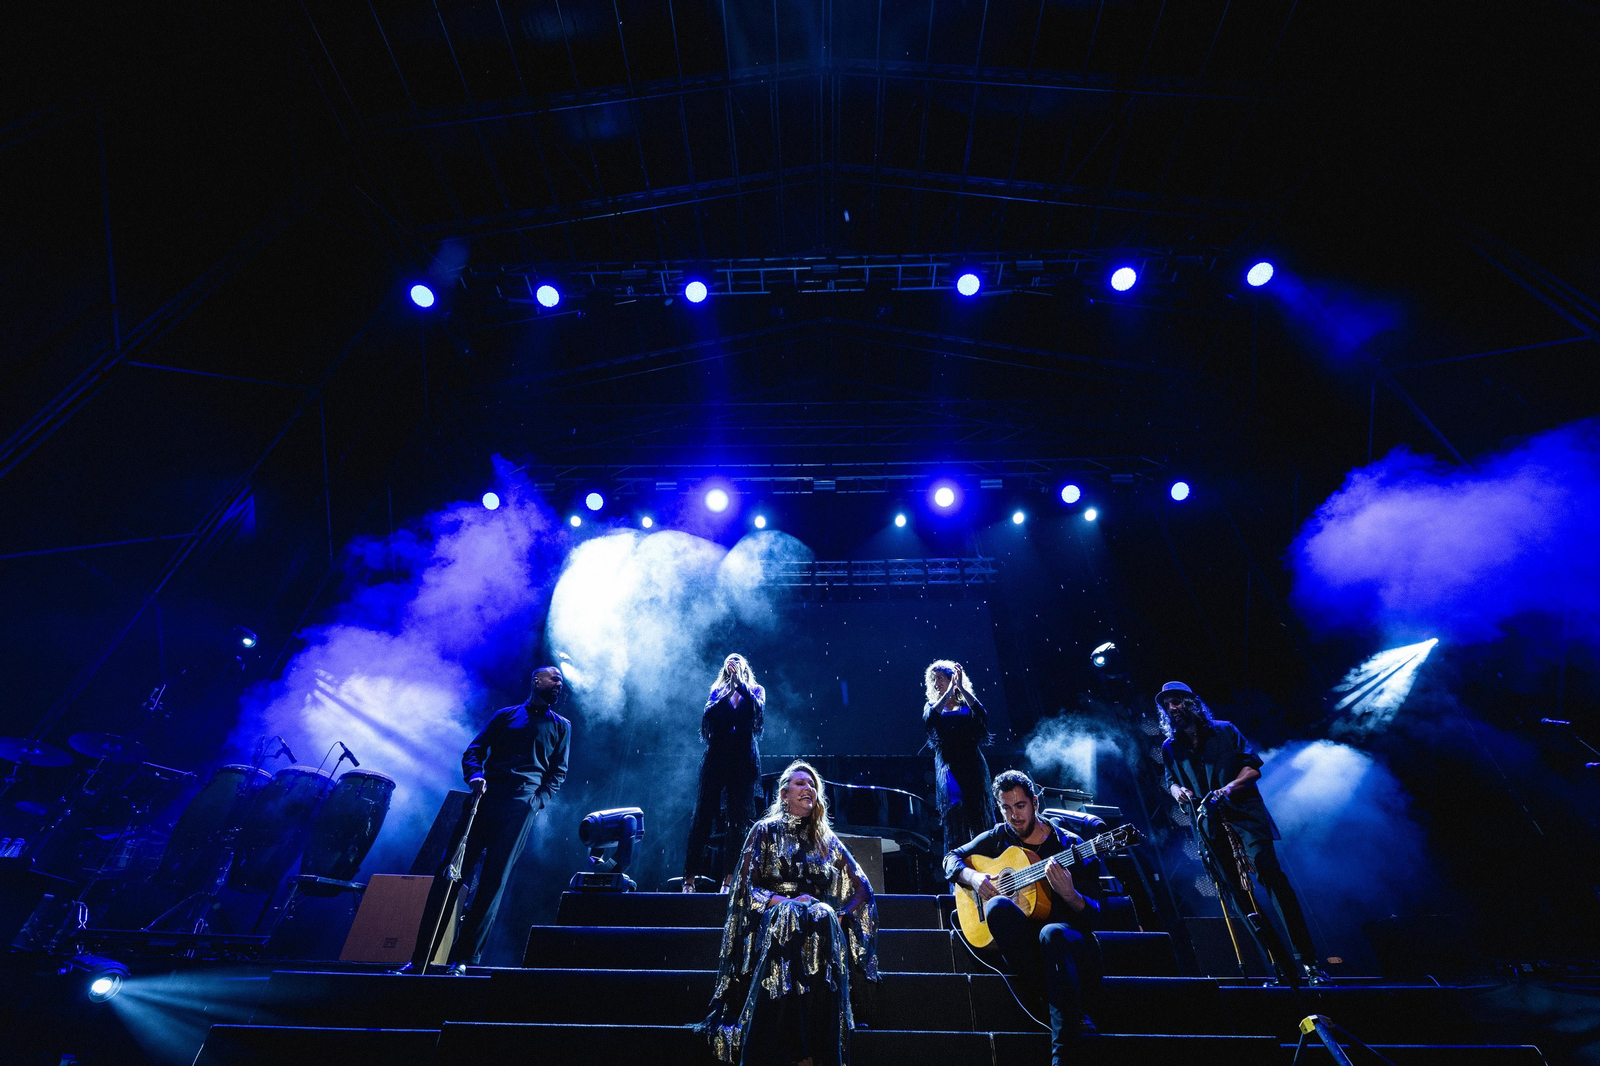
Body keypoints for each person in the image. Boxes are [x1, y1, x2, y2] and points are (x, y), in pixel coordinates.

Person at [700, 760, 879, 1066]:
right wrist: (783, 903)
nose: (808, 788)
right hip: (772, 917)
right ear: (784, 794)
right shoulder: (764, 831)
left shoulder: (826, 841)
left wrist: (840, 914)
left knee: (822, 916)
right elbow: (745, 888)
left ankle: (816, 1048)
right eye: (800, 783)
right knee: (790, 918)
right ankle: (784, 1046)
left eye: (812, 785)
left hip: (818, 921)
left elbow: (862, 886)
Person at [1156, 680, 1326, 984]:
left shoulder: (1225, 730)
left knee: (1268, 872)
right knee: (1236, 894)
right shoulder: (1170, 748)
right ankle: (1279, 967)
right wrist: (1176, 790)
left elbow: (1253, 768)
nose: (1173, 708)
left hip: (1245, 815)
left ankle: (1309, 963)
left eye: (1178, 701)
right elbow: (1169, 781)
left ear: (1192, 703)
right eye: (1167, 704)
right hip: (1208, 824)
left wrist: (1227, 789)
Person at [945, 769, 1104, 1066]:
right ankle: (1063, 1009)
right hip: (1028, 950)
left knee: (1052, 933)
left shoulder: (1069, 844)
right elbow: (950, 858)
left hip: (1071, 945)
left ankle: (1061, 1054)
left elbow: (1096, 916)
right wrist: (974, 878)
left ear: (1035, 803)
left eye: (1020, 806)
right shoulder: (999, 837)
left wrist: (1070, 895)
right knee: (996, 908)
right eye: (1006, 808)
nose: (1014, 816)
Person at [451, 665, 571, 968]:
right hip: (486, 798)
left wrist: (536, 801)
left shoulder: (562, 726)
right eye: (555, 678)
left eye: (561, 682)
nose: (559, 684)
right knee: (450, 873)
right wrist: (475, 776)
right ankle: (420, 954)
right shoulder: (506, 715)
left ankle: (463, 959)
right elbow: (474, 749)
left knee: (493, 882)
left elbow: (558, 771)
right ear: (537, 680)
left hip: (520, 807)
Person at [684, 653, 765, 892]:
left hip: (743, 759)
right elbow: (708, 716)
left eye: (738, 660)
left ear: (745, 666)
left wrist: (740, 685)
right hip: (717, 756)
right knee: (703, 815)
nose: (734, 662)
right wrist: (729, 691)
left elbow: (757, 712)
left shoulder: (756, 689)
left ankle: (730, 878)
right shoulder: (717, 691)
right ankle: (689, 879)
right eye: (730, 660)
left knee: (738, 820)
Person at [922, 660, 997, 855]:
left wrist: (960, 688)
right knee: (956, 811)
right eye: (934, 679)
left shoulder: (966, 703)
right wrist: (947, 693)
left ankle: (987, 859)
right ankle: (959, 866)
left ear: (951, 678)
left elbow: (982, 714)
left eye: (940, 678)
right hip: (949, 767)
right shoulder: (932, 705)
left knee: (978, 813)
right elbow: (930, 719)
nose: (936, 682)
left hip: (973, 765)